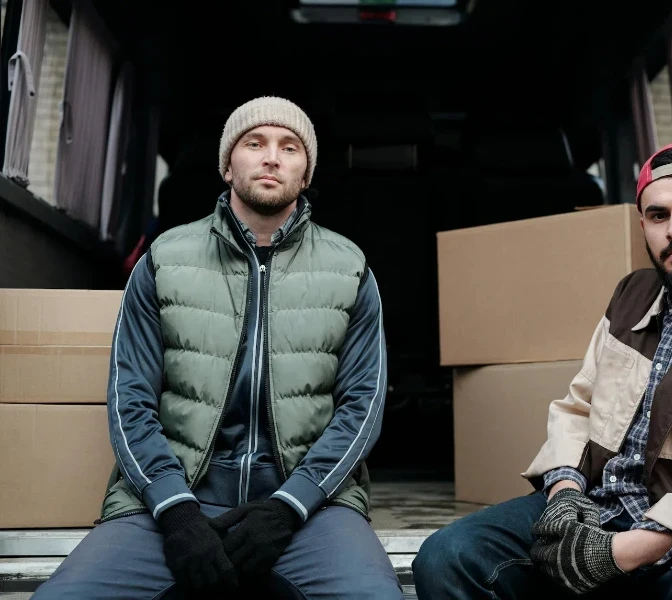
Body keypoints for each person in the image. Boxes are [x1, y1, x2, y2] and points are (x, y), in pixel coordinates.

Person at [412, 142, 672, 600]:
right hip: (598, 508)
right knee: (446, 557)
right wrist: (565, 493)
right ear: (643, 225)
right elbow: (578, 408)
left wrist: (620, 553)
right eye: (657, 215)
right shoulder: (631, 295)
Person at [34, 96, 403, 599]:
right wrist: (176, 511)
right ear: (229, 165)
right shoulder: (165, 259)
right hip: (171, 500)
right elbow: (129, 402)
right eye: (255, 143)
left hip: (307, 505)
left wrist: (289, 506)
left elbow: (362, 408)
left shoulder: (351, 269)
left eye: (289, 147)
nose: (272, 157)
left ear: (306, 173)